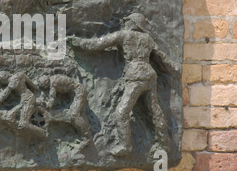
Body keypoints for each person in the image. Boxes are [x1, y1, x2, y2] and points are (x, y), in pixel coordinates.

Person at [70, 13, 180, 156]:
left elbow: (98, 44)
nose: (125, 23)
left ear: (134, 23)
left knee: (121, 113)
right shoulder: (147, 39)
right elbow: (162, 57)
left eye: (128, 21)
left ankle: (126, 146)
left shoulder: (125, 35)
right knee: (154, 110)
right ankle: (164, 143)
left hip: (136, 76)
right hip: (150, 74)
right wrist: (174, 67)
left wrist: (77, 42)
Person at [39, 74, 92, 149]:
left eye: (45, 88)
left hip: (79, 92)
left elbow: (51, 100)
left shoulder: (53, 83)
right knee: (81, 114)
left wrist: (45, 104)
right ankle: (87, 131)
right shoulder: (54, 77)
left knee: (74, 115)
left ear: (46, 84)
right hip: (76, 92)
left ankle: (87, 137)